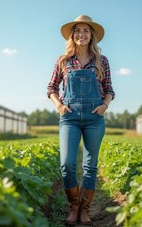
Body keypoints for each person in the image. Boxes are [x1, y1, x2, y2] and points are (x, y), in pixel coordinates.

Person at [47, 15, 115, 225]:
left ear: (92, 35)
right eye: (78, 30)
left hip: (95, 118)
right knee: (67, 163)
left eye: (86, 31)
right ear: (72, 35)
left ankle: (84, 210)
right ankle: (73, 207)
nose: (82, 34)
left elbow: (109, 89)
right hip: (70, 117)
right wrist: (59, 105)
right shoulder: (63, 60)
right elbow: (51, 88)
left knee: (90, 166)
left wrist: (104, 106)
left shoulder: (101, 61)